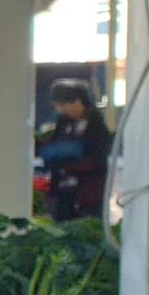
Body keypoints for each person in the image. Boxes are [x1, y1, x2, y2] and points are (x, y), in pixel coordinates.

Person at [35, 79, 112, 221]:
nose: (59, 110)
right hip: (63, 191)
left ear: (78, 102)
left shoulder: (96, 127)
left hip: (88, 194)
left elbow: (97, 159)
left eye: (63, 106)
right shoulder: (63, 122)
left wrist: (67, 163)